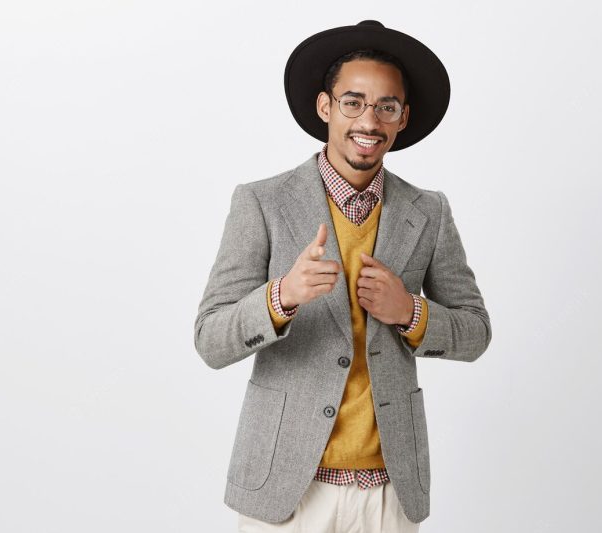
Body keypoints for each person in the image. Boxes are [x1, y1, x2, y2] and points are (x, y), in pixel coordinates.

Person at [194, 20, 492, 532]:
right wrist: (281, 296)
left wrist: (411, 312)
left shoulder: (430, 211)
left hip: (390, 492)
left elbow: (475, 332)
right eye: (353, 102)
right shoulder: (261, 203)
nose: (369, 120)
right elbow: (210, 340)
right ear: (325, 107)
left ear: (403, 118)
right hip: (285, 488)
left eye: (386, 106)